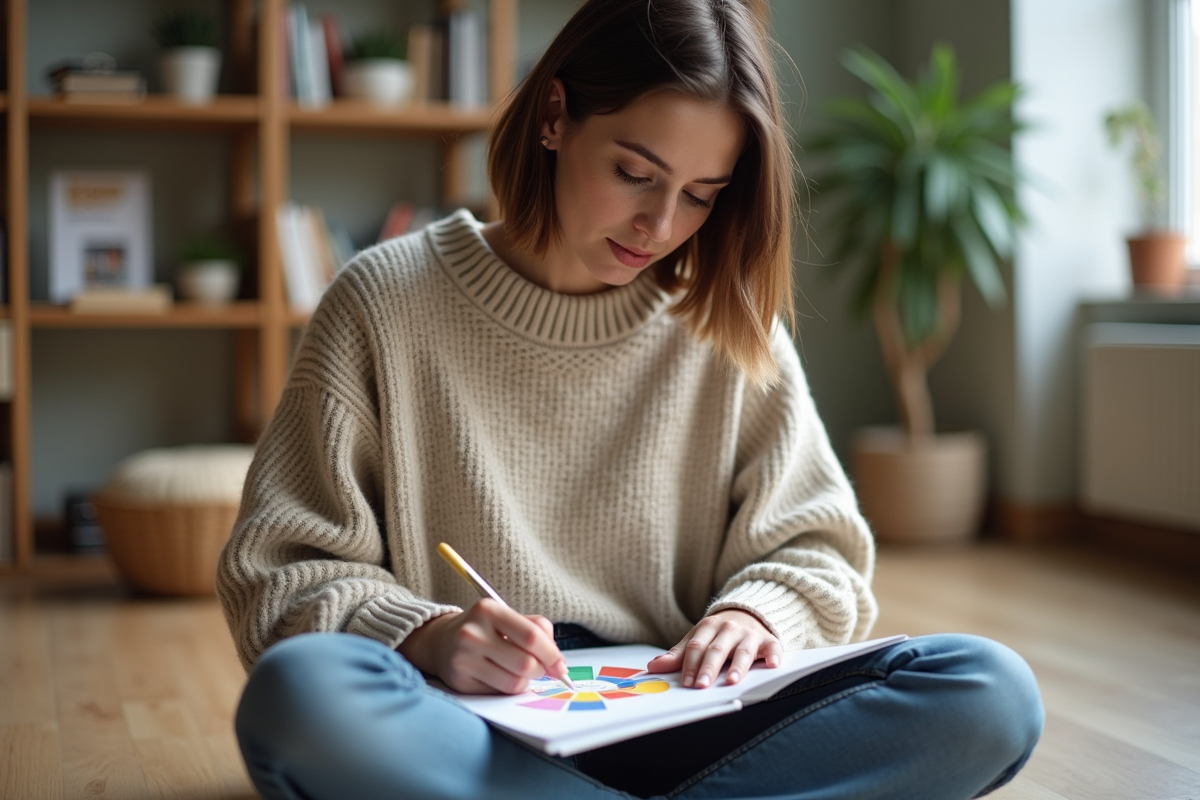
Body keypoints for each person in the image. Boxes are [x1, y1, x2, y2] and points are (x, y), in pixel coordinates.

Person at [217, 1, 1044, 798]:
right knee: (300, 696)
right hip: (474, 722)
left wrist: (756, 615)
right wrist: (427, 636)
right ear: (554, 116)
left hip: (691, 720)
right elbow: (281, 571)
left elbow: (818, 548)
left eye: (701, 193)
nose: (660, 225)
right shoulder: (383, 302)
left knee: (989, 691)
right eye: (635, 174)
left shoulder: (727, 326)